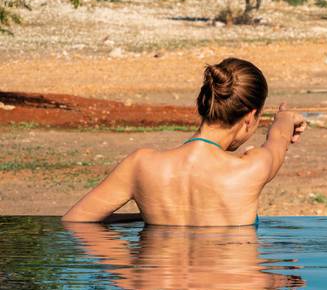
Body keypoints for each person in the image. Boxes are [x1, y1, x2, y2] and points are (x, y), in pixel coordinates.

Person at [62, 57, 306, 226]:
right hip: (233, 288)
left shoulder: (141, 165)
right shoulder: (252, 168)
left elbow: (76, 221)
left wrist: (131, 272)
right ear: (251, 117)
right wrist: (285, 118)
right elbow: (279, 138)